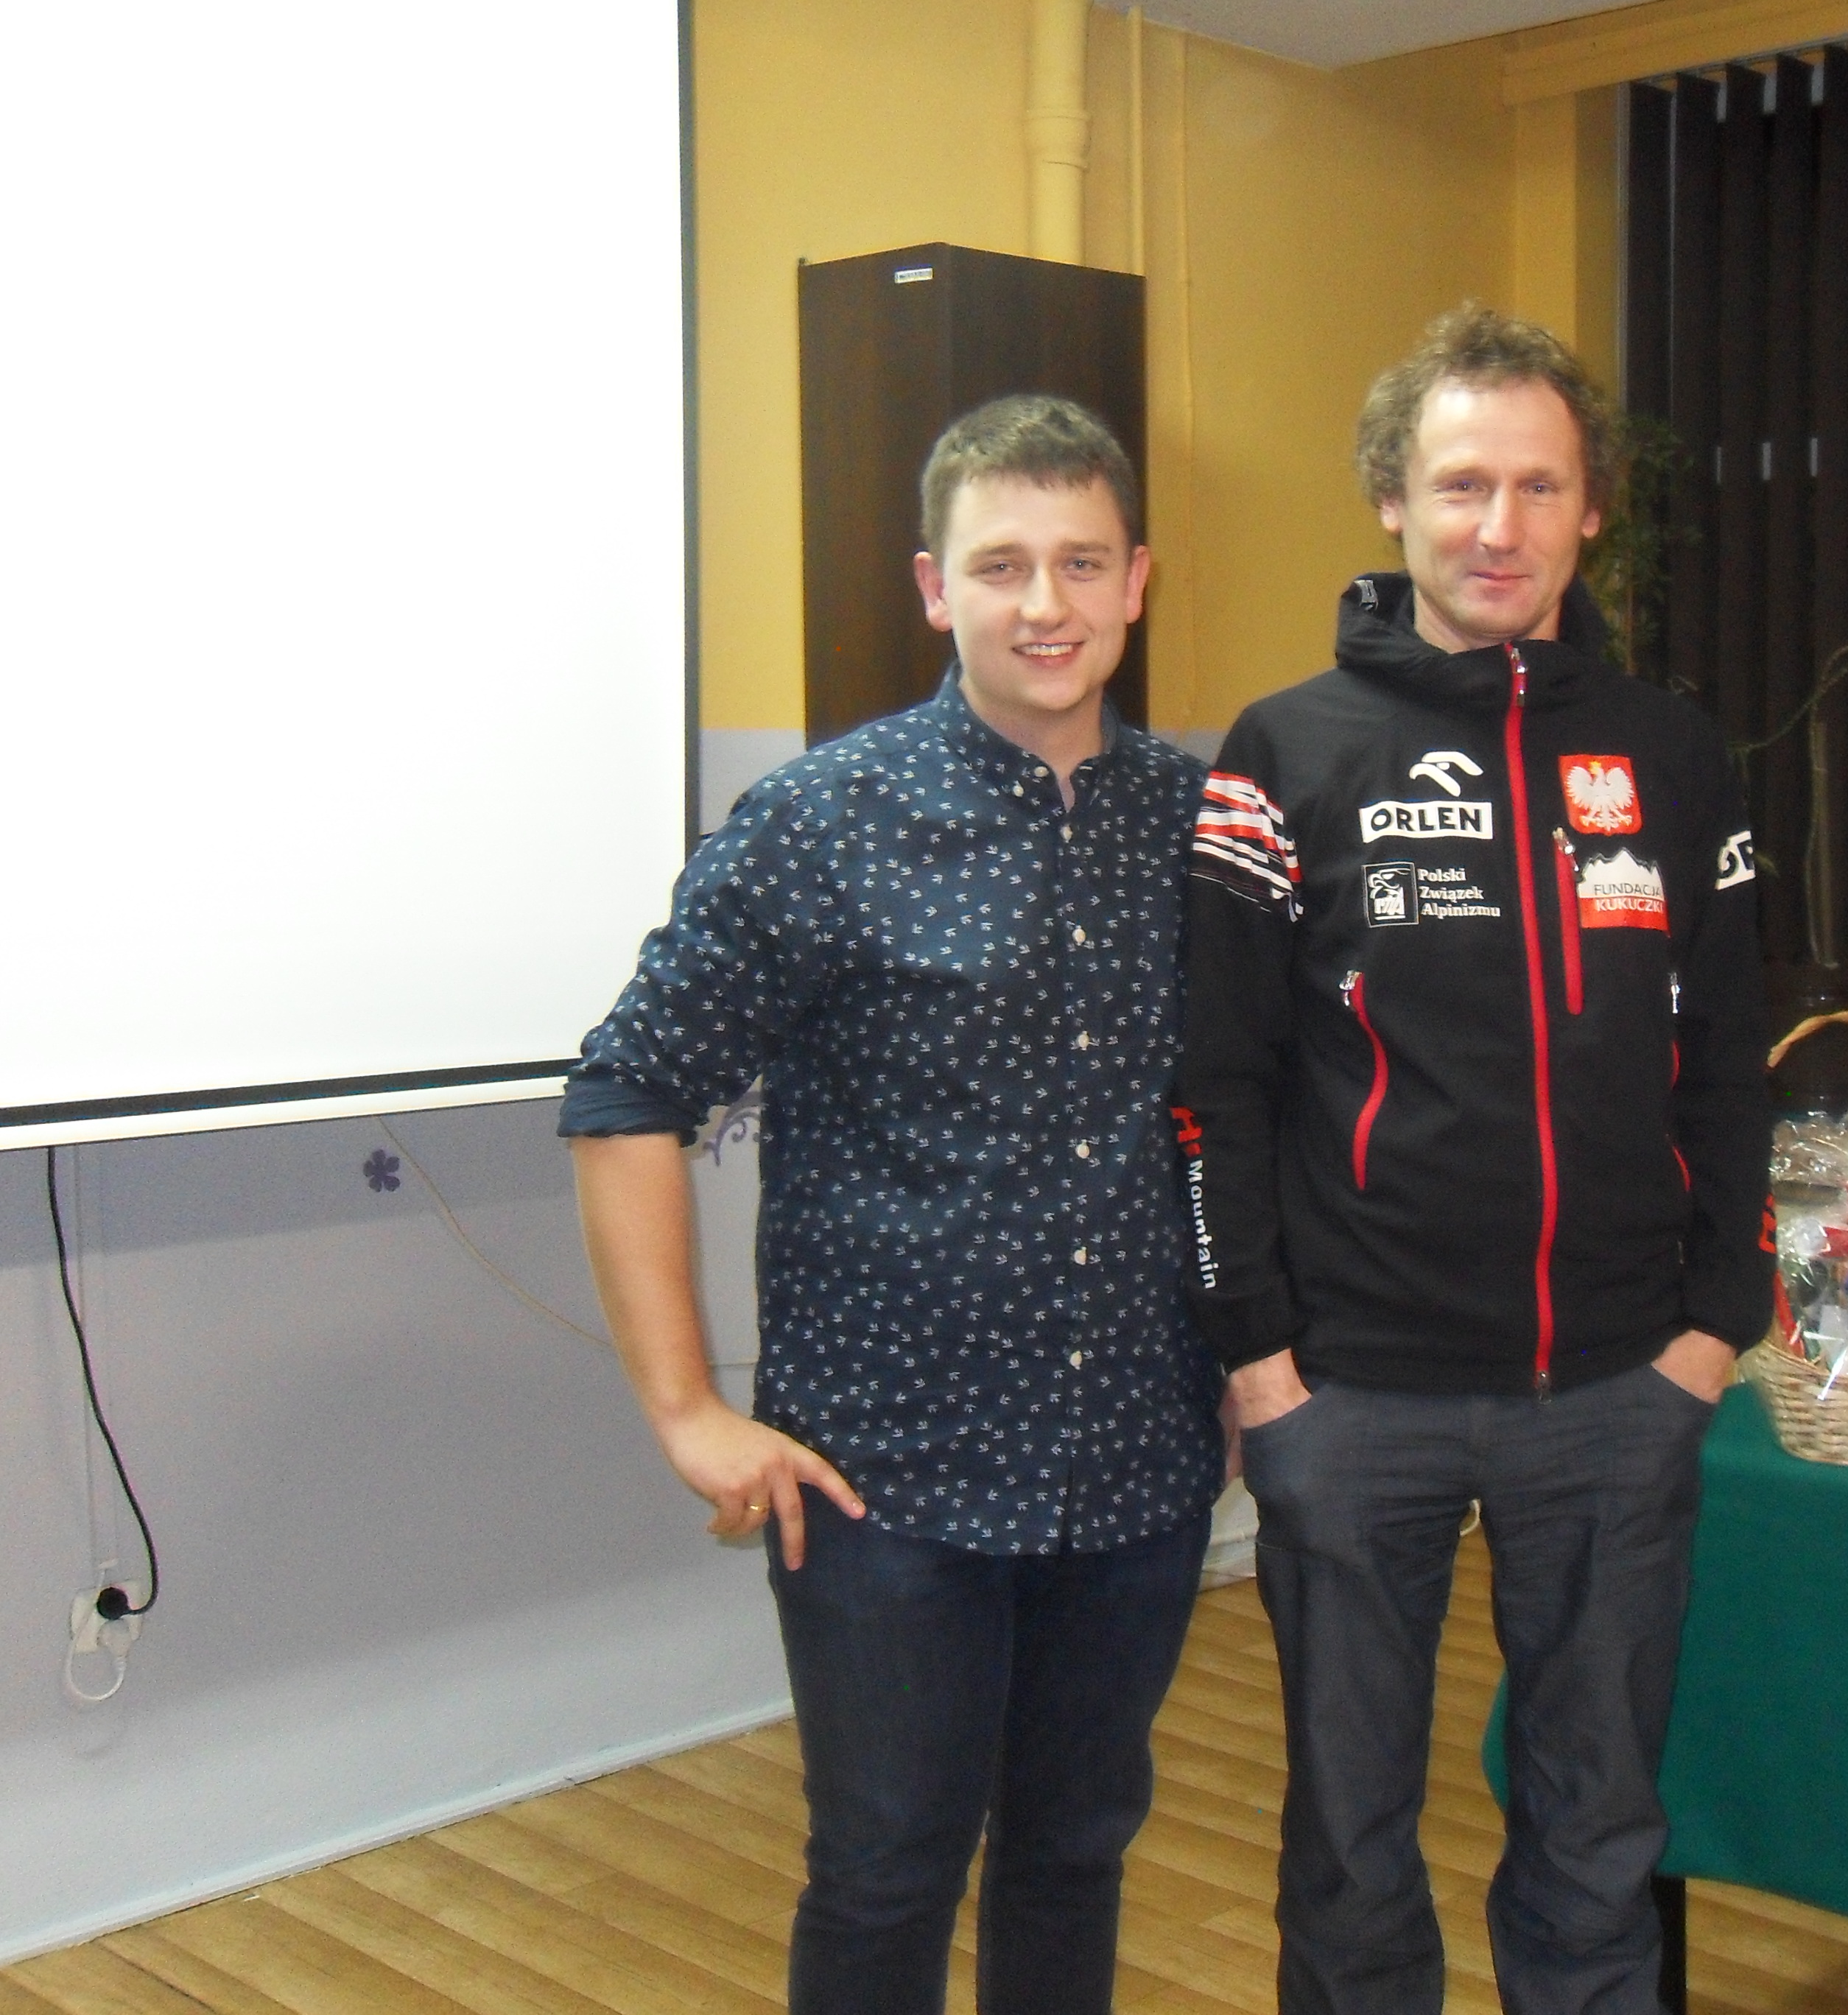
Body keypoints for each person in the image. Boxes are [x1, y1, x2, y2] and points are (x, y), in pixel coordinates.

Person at [561, 395, 1220, 2015]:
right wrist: (686, 1409)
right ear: (935, 588)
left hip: (1136, 1465)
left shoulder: (1200, 824)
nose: (1046, 604)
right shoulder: (823, 823)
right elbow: (627, 1092)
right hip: (885, 1484)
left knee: (1075, 1851)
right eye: (1002, 566)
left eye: (1082, 563)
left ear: (1137, 579)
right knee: (886, 1872)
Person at [1173, 307, 1773, 2014]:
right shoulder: (1284, 753)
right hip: (1354, 1396)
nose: (1497, 527)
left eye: (1537, 486)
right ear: (1393, 500)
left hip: (1619, 1388)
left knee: (1598, 1839)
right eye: (1459, 486)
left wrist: (1712, 1327)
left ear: (1591, 511)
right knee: (1350, 1853)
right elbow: (1217, 1078)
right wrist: (1258, 1359)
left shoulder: (1674, 758)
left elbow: (1732, 1062)